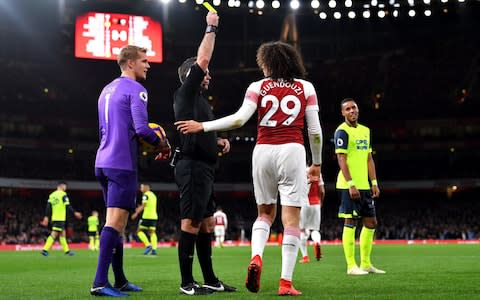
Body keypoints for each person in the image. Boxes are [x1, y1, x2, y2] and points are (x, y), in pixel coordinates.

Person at [175, 41, 324, 296]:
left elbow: (239, 119)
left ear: (268, 63)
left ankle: (256, 257)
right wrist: (317, 163)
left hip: (263, 150)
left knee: (264, 214)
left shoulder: (257, 86)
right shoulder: (305, 87)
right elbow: (315, 132)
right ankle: (285, 283)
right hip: (292, 150)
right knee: (291, 220)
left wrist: (203, 126)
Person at [91, 45, 171, 297]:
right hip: (121, 163)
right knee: (114, 223)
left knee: (119, 223)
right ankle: (100, 283)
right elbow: (142, 129)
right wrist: (164, 144)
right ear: (130, 64)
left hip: (102, 161)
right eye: (144, 61)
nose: (148, 65)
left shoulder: (106, 89)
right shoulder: (137, 89)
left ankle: (121, 280)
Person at [172, 11, 237, 296]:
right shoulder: (185, 94)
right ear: (191, 76)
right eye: (204, 73)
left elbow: (201, 130)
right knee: (192, 222)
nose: (208, 75)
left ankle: (210, 279)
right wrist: (211, 27)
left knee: (208, 223)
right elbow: (203, 60)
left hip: (205, 168)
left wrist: (218, 141)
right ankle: (187, 283)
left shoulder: (199, 102)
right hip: (192, 168)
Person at [334, 98, 385, 275]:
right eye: (347, 109)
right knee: (350, 221)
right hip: (349, 185)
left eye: (354, 107)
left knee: (371, 222)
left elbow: (369, 158)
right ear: (343, 113)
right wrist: (351, 184)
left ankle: (365, 263)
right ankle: (351, 266)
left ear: (358, 109)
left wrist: (374, 182)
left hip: (365, 185)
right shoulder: (342, 131)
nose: (352, 111)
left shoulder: (365, 131)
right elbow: (341, 159)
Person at [41, 181, 82, 256]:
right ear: (61, 186)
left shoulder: (52, 195)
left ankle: (67, 251)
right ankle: (45, 249)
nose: (65, 188)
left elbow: (48, 207)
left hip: (54, 218)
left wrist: (46, 217)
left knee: (63, 234)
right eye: (65, 186)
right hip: (60, 218)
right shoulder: (63, 194)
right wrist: (75, 213)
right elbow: (68, 205)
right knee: (54, 234)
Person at [298, 166, 325, 264]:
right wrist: (320, 201)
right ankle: (317, 243)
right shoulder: (318, 172)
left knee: (302, 230)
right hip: (316, 203)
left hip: (304, 203)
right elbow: (322, 191)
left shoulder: (300, 171)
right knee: (315, 229)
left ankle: (305, 257)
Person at [131, 183, 159, 255]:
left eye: (142, 187)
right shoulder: (153, 195)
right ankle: (154, 249)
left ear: (146, 187)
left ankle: (148, 245)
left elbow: (144, 205)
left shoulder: (145, 195)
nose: (140, 189)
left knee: (139, 231)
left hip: (146, 216)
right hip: (154, 217)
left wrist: (136, 213)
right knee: (152, 232)